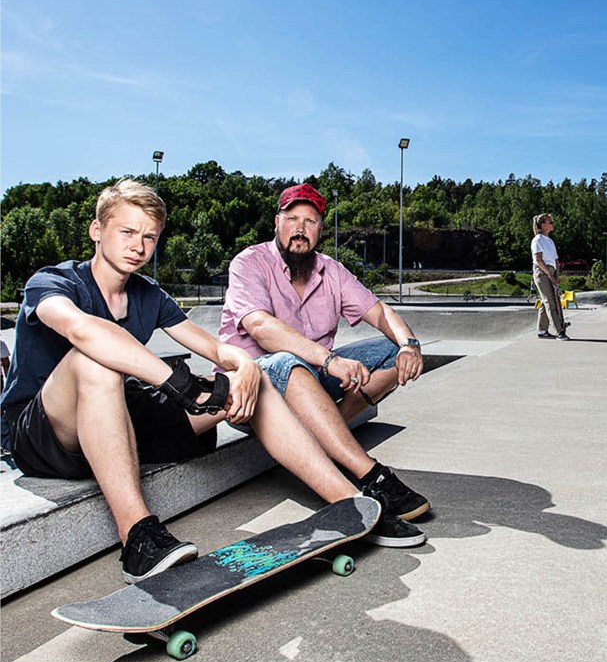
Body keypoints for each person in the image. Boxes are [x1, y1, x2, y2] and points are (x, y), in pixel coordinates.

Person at [0, 180, 418, 586]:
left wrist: (245, 367)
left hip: (117, 417)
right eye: (127, 232)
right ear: (97, 231)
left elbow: (218, 350)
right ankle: (139, 539)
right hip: (43, 433)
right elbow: (82, 331)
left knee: (254, 383)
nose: (138, 246)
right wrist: (177, 383)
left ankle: (349, 502)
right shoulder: (53, 282)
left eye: (149, 237)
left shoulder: (149, 294)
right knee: (95, 359)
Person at [218, 183, 431, 536]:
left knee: (394, 352)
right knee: (287, 361)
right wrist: (330, 360)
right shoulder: (250, 262)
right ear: (277, 223)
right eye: (293, 219)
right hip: (253, 392)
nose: (300, 229)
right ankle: (370, 474)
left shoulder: (331, 270)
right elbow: (259, 326)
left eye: (311, 221)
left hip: (312, 382)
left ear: (320, 230)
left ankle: (320, 439)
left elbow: (379, 312)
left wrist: (410, 344)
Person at [530, 213, 569, 340]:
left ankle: (542, 330)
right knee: (550, 303)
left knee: (546, 302)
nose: (553, 224)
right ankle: (559, 331)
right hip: (542, 272)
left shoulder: (550, 241)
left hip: (551, 271)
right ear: (542, 225)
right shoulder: (537, 240)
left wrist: (556, 275)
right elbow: (539, 260)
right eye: (550, 222)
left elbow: (556, 260)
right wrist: (549, 274)